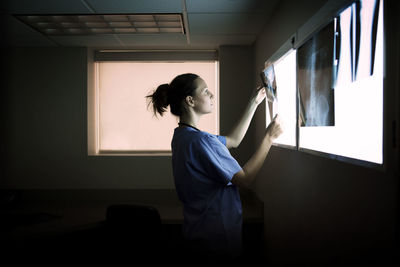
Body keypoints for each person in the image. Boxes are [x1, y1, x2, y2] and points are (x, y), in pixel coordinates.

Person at [146, 73, 283, 261]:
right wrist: (269, 138)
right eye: (205, 91)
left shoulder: (182, 136)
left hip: (198, 233)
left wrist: (254, 102)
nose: (212, 95)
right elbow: (245, 179)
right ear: (190, 100)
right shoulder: (202, 141)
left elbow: (233, 140)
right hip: (217, 239)